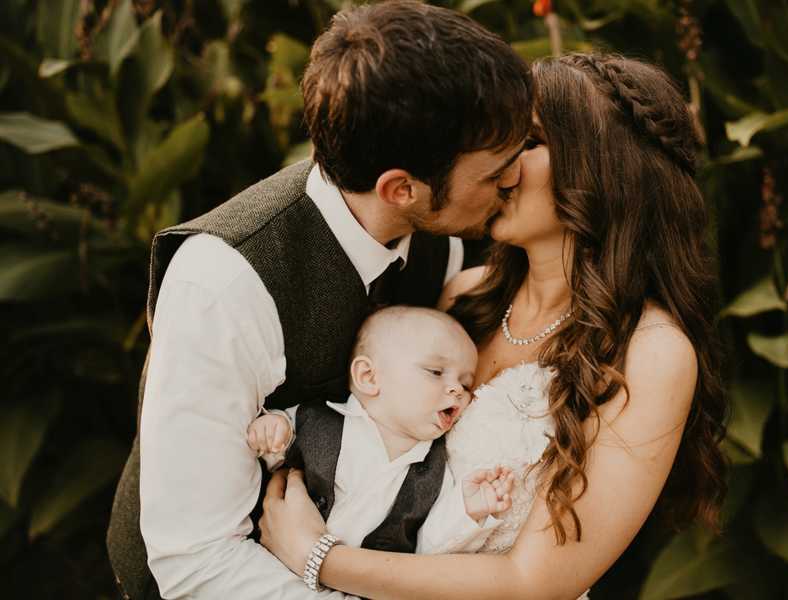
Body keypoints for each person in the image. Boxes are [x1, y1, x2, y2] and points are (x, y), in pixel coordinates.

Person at [258, 52, 729, 599]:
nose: (497, 163)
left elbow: (535, 581)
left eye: (526, 142)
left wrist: (319, 557)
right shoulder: (464, 298)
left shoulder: (650, 352)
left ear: (600, 168)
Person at [105, 2, 533, 598]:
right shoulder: (223, 286)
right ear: (401, 189)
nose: (514, 180)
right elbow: (196, 561)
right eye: (495, 173)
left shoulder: (434, 235)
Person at [247, 306, 516, 562]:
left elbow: (429, 546)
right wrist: (273, 428)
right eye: (436, 372)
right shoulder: (317, 420)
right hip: (274, 569)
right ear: (369, 376)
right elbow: (275, 456)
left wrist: (466, 510)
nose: (457, 390)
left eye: (466, 384)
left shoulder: (436, 469)